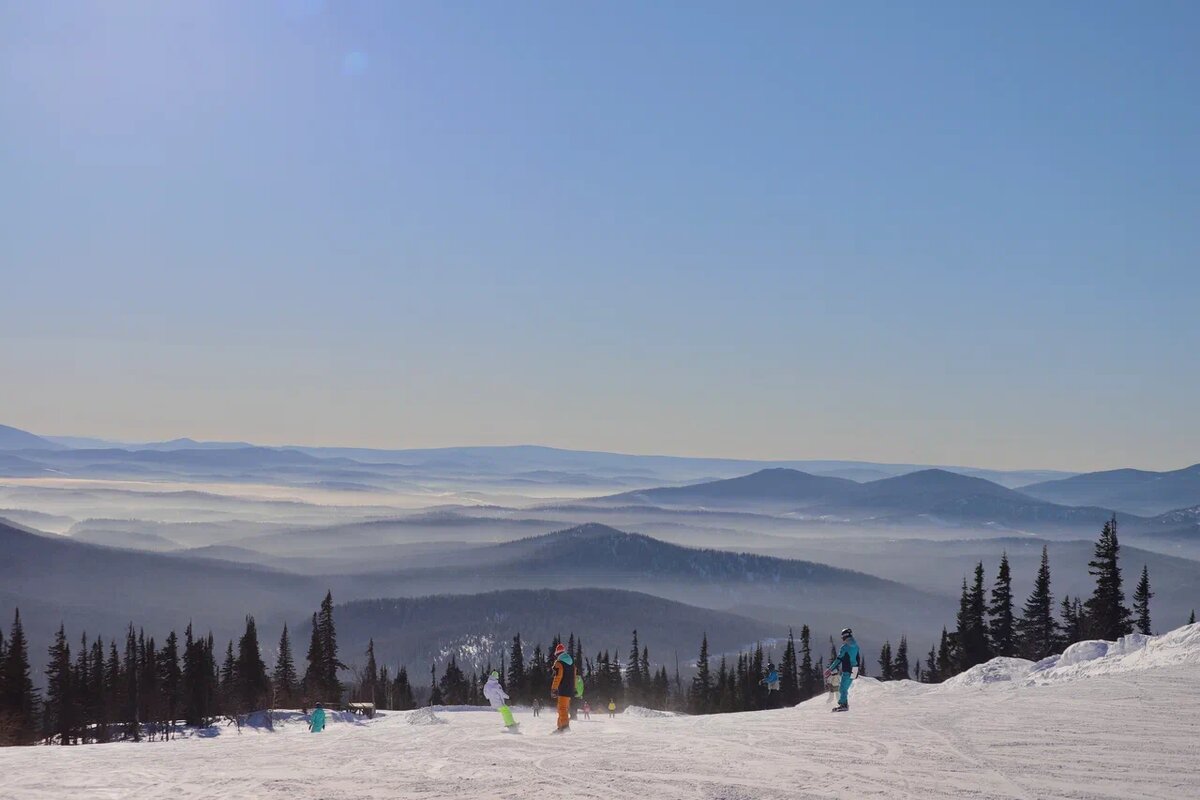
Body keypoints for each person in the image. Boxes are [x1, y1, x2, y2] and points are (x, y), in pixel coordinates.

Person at [825, 628, 860, 712]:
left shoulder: (845, 647)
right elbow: (858, 658)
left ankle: (843, 705)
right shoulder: (856, 646)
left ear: (844, 636)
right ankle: (844, 703)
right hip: (855, 669)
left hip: (848, 669)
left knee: (842, 688)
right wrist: (857, 670)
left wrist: (830, 669)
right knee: (845, 688)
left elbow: (839, 659)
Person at [550, 643, 575, 733]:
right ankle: (561, 726)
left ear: (557, 654)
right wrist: (574, 688)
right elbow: (574, 676)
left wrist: (554, 688)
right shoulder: (571, 663)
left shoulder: (559, 663)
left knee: (562, 708)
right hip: (569, 689)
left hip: (563, 688)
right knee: (563, 707)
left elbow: (558, 676)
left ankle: (564, 727)